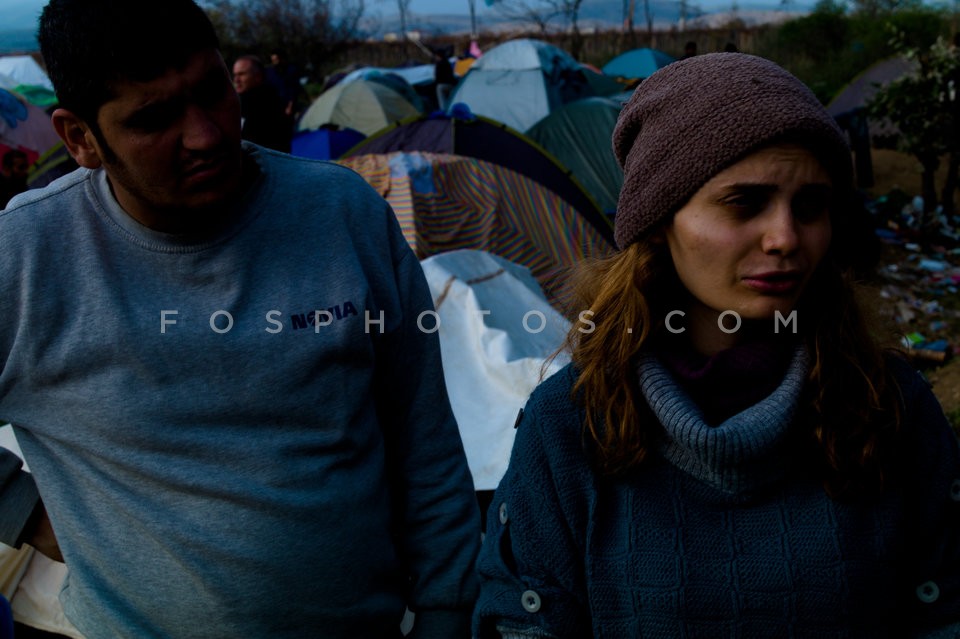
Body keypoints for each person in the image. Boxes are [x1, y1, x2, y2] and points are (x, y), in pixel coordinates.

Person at [0, 1, 480, 638]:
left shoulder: (342, 215)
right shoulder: (25, 259)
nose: (205, 135)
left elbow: (424, 436)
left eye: (212, 91)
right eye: (153, 118)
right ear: (80, 138)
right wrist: (28, 514)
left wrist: (447, 608)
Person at [474, 53, 960, 638]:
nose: (785, 238)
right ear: (660, 220)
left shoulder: (890, 408)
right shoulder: (572, 424)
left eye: (810, 206)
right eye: (744, 203)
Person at [232, 53, 291, 152]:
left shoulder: (268, 104)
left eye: (242, 74)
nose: (236, 80)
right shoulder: (239, 101)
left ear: (258, 76)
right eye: (235, 75)